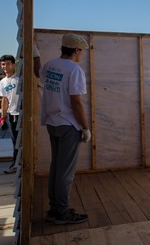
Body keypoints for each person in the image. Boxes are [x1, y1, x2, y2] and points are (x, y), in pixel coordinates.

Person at [40, 33, 91, 224]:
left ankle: (54, 208)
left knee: (56, 168)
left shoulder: (51, 64)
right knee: (65, 172)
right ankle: (62, 213)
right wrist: (85, 128)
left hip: (52, 123)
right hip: (68, 125)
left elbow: (40, 73)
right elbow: (76, 102)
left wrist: (36, 55)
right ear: (76, 50)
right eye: (81, 51)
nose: (82, 55)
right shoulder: (74, 70)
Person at [0, 55, 20, 174]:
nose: (5, 67)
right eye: (3, 64)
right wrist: (2, 117)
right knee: (14, 140)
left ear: (14, 65)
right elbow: (4, 101)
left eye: (8, 64)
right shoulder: (2, 83)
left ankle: (20, 163)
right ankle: (16, 164)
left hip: (22, 114)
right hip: (11, 115)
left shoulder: (19, 79)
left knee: (22, 140)